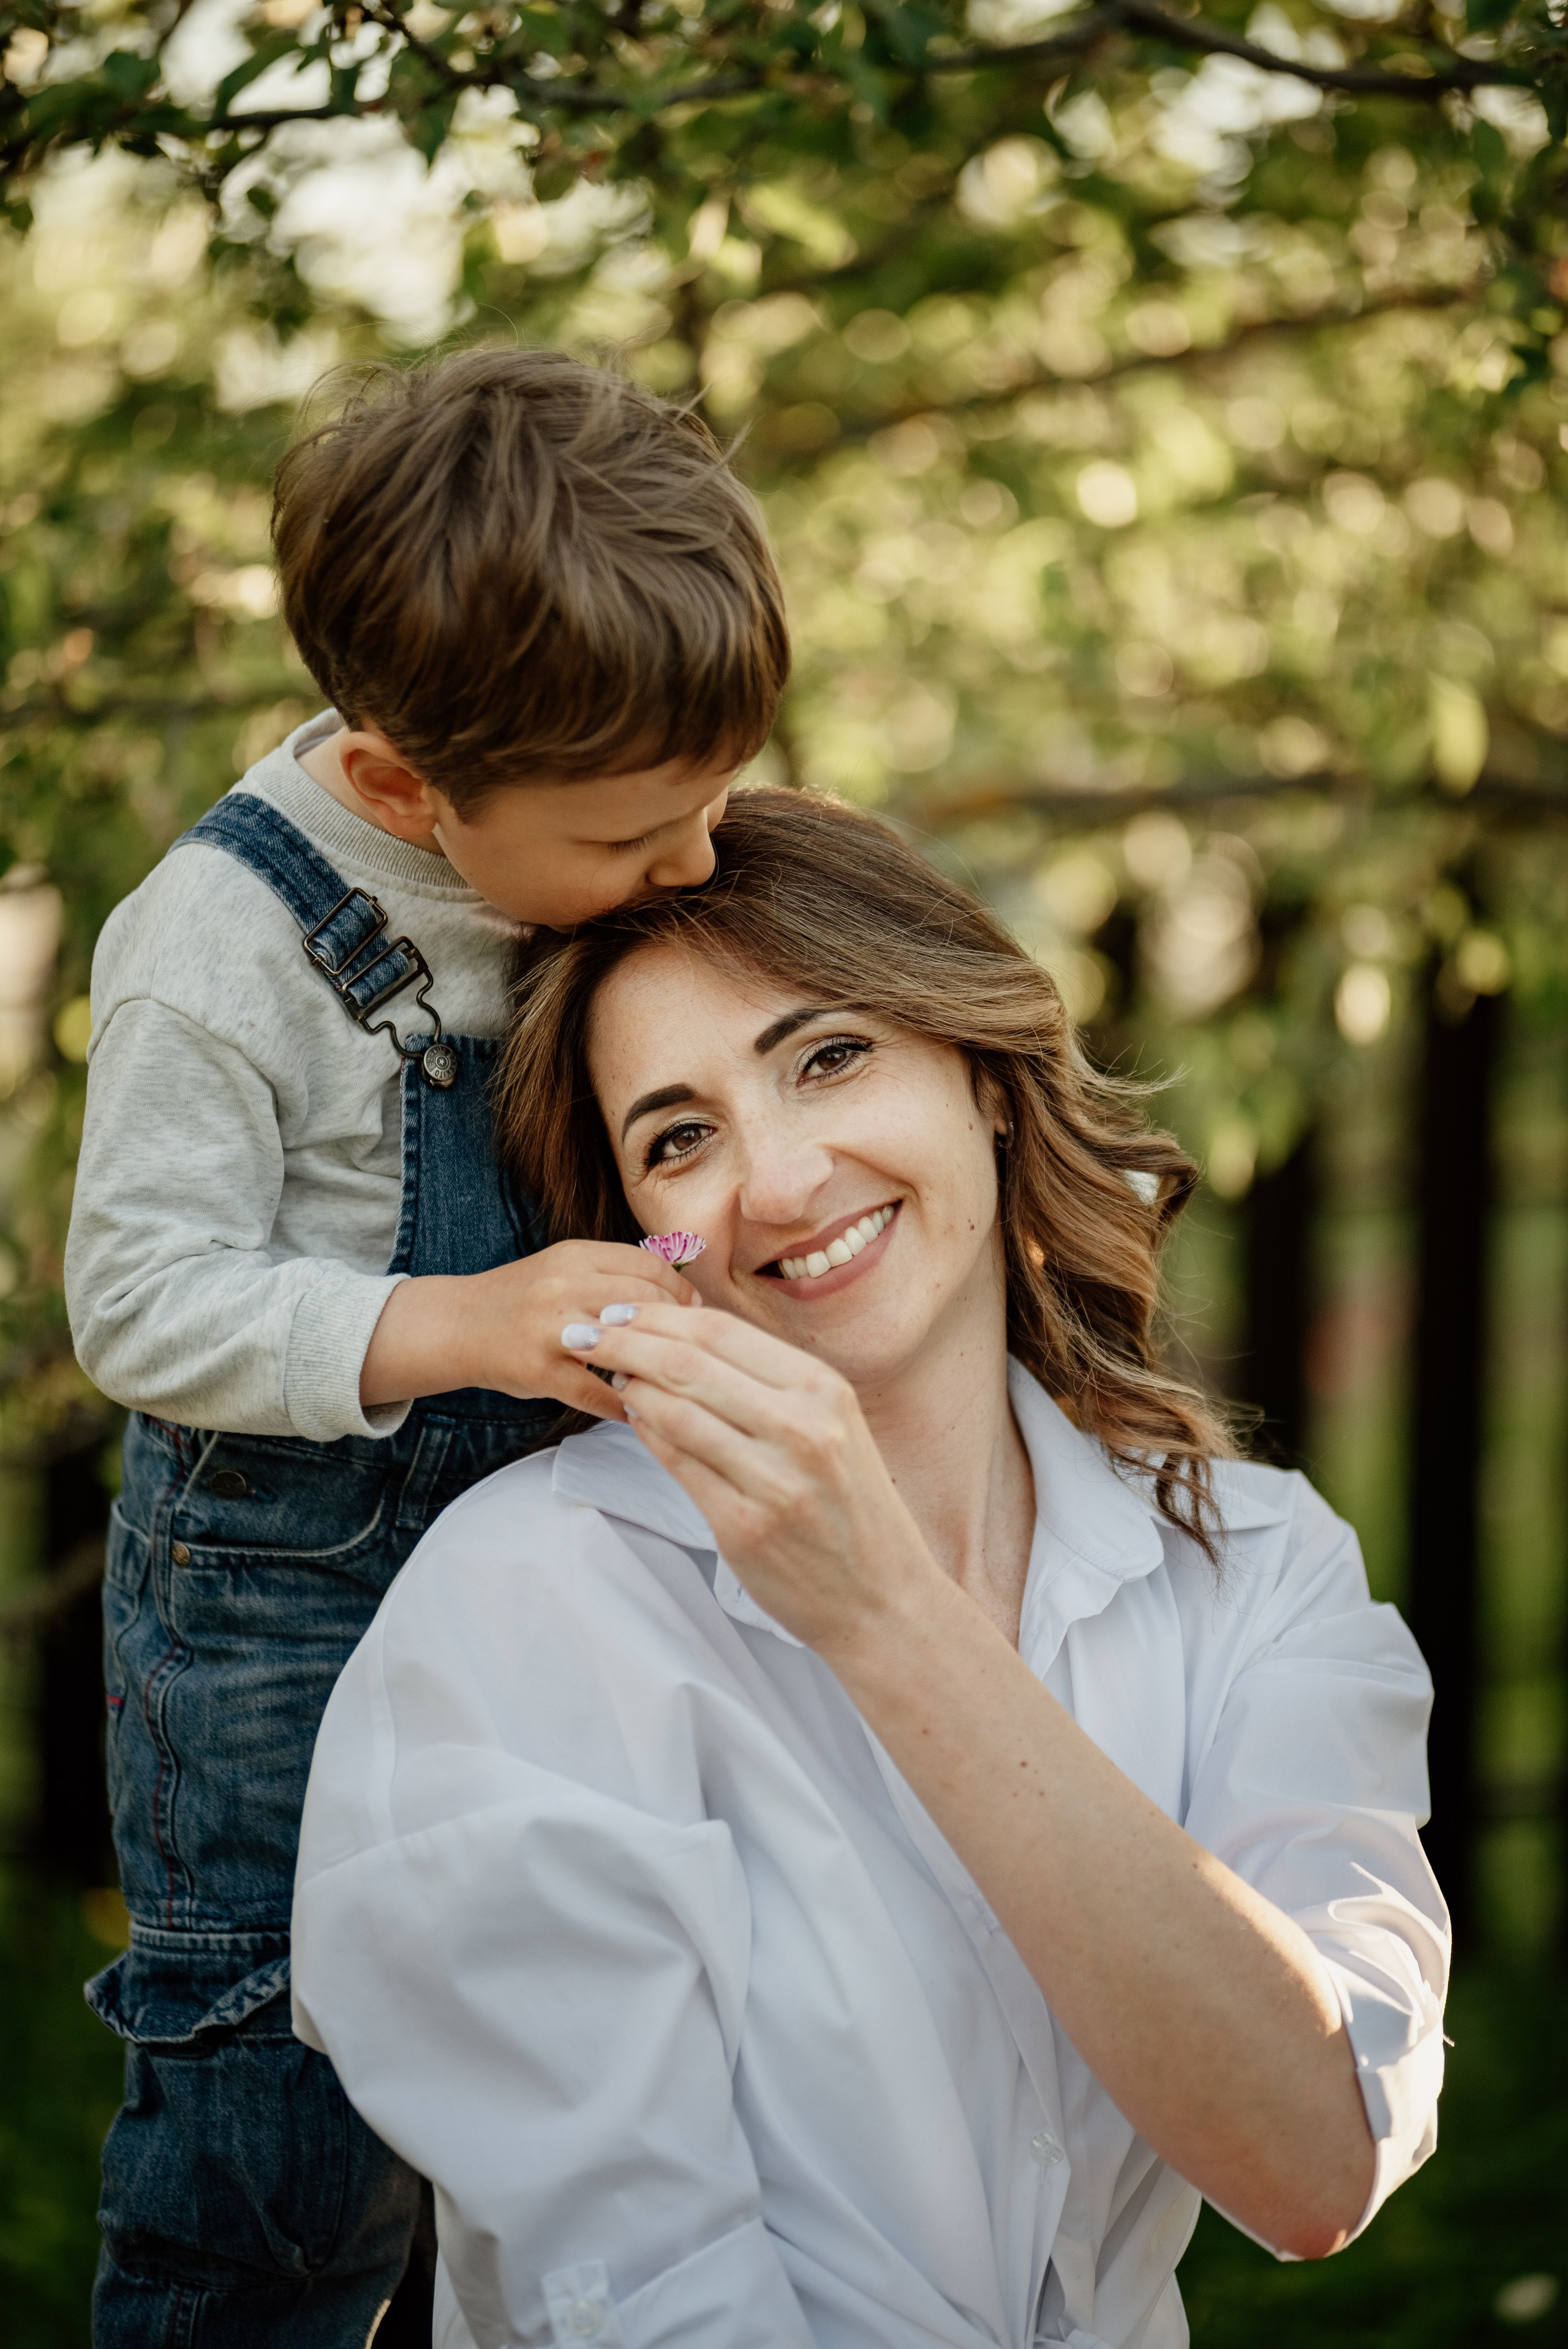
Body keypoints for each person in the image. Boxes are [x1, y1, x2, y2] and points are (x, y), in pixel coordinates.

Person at [291, 786, 1449, 2349]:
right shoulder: (523, 1607)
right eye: (679, 1135)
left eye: (828, 1056)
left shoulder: (1255, 1571)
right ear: (637, 1231)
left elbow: (1317, 2162)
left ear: (977, 1072)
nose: (773, 1184)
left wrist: (886, 1612)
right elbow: (634, 2302)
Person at [63, 349, 790, 2348]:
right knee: (292, 2123)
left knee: (535, 2082)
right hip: (288, 1604)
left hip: (548, 1561)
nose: (700, 862)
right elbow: (134, 1298)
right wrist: (461, 1319)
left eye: (720, 796)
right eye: (647, 828)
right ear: (402, 783)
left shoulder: (594, 797)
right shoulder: (227, 944)